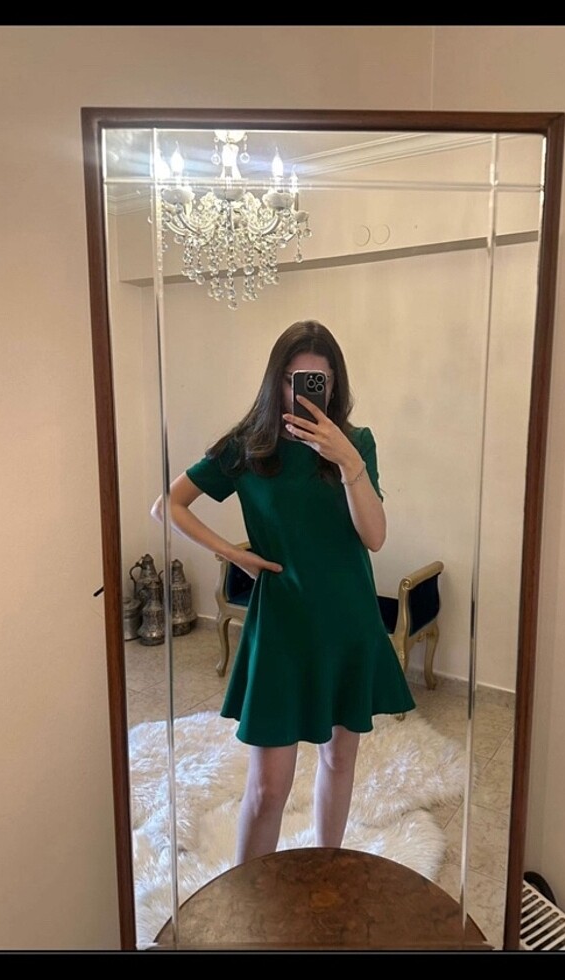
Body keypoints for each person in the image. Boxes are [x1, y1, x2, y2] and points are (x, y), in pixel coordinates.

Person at [152, 319, 415, 866]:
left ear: (335, 385)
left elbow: (375, 537)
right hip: (282, 626)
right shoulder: (247, 447)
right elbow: (169, 505)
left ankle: (325, 870)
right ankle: (249, 898)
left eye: (321, 381)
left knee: (338, 760)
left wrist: (349, 461)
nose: (308, 392)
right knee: (268, 787)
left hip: (347, 621)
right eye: (297, 380)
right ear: (277, 381)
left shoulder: (356, 445)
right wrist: (233, 553)